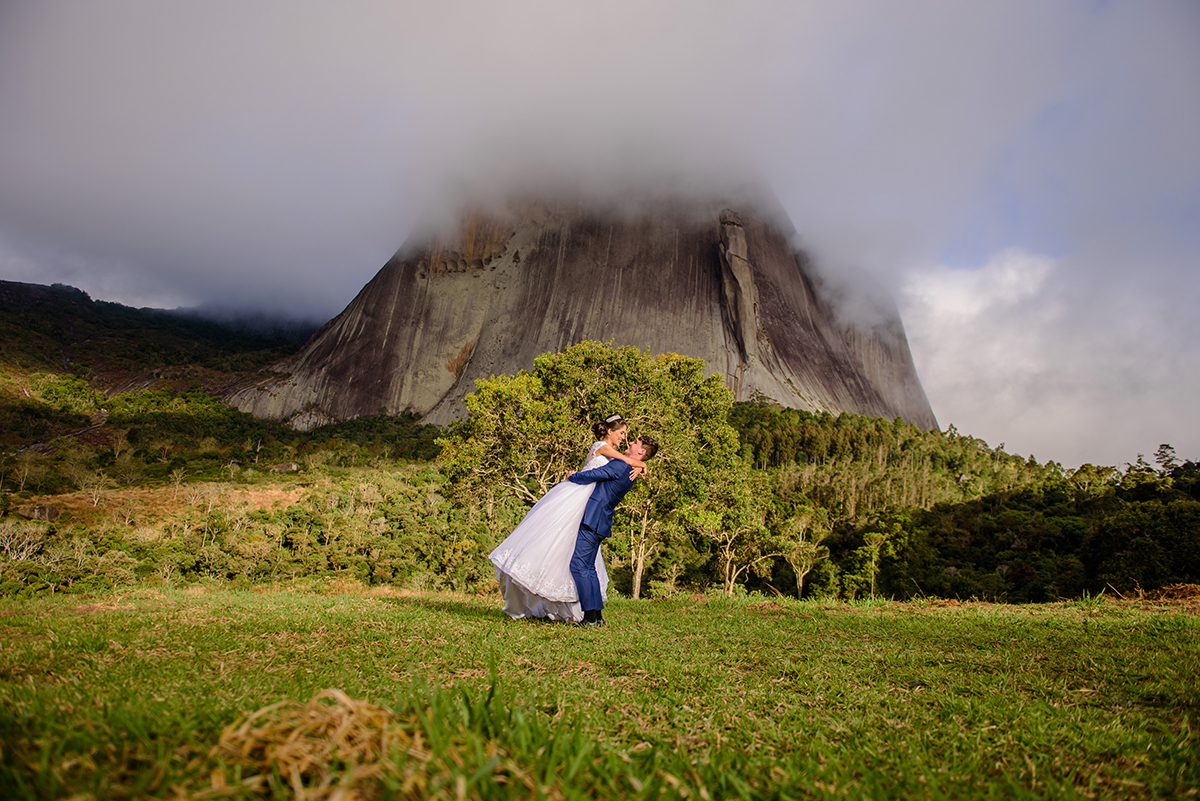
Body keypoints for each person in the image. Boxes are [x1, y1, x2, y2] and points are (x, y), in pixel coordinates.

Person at [488, 415, 647, 622]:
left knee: (576, 560)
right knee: (566, 552)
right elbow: (625, 461)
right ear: (609, 431)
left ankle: (589, 614)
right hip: (576, 498)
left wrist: (641, 464)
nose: (624, 439)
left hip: (585, 504)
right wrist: (641, 464)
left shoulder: (618, 461)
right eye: (622, 433)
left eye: (627, 436)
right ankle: (590, 615)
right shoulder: (602, 447)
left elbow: (622, 464)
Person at [567, 434, 660, 627]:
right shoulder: (631, 469)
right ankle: (596, 616)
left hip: (593, 517)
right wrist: (641, 465)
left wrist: (572, 476)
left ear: (641, 452)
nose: (630, 442)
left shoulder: (621, 465)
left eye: (635, 443)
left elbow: (593, 475)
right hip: (602, 520)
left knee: (578, 565)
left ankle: (590, 618)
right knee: (588, 567)